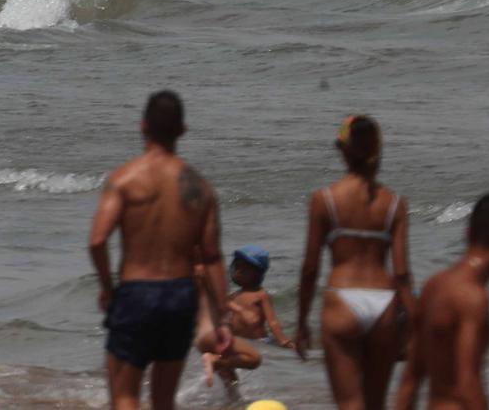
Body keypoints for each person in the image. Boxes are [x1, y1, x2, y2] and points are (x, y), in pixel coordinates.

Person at [87, 90, 230, 410]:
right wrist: (222, 318)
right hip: (180, 296)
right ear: (182, 131)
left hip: (137, 293)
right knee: (164, 401)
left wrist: (108, 289)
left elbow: (97, 241)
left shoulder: (124, 179)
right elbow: (211, 256)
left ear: (143, 127)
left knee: (125, 397)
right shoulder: (200, 187)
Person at [295, 115, 412, 410]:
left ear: (343, 150)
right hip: (383, 302)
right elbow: (401, 273)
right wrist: (414, 324)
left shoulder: (324, 199)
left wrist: (301, 322)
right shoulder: (395, 204)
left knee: (349, 404)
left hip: (342, 301)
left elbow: (310, 267)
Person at [392, 195, 489, 410]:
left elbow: (410, 379)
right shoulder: (474, 297)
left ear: (468, 233)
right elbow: (467, 382)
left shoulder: (434, 286)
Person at [203, 246, 291, 394]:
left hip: (260, 343)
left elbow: (272, 321)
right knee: (228, 372)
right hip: (239, 341)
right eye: (237, 267)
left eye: (244, 269)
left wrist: (283, 340)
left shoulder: (260, 295)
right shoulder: (232, 297)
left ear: (258, 273)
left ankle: (234, 395)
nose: (238, 271)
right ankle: (231, 397)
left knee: (251, 362)